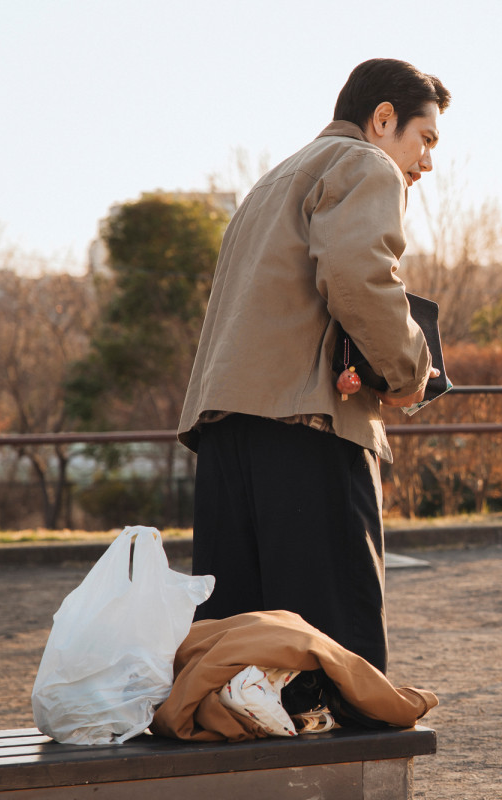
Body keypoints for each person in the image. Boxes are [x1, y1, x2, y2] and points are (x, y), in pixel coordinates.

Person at [177, 58, 451, 674]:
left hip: (226, 433)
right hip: (308, 428)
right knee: (334, 650)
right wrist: (411, 374)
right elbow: (359, 279)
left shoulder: (271, 183)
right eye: (425, 139)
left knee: (236, 657)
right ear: (384, 120)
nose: (427, 162)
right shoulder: (366, 164)